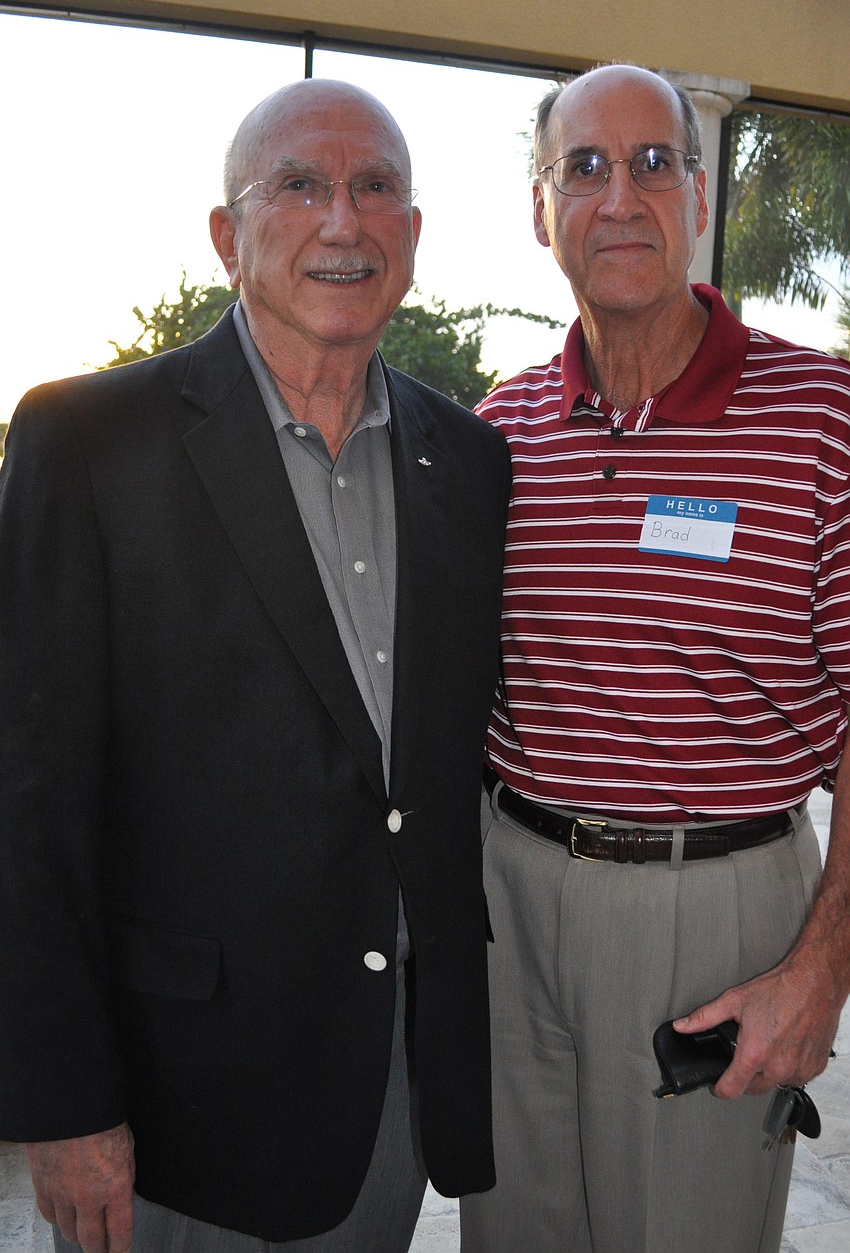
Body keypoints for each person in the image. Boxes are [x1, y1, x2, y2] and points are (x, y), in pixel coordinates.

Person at [0, 78, 511, 1253]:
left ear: (415, 238)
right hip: (184, 1107)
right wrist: (65, 1104)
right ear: (229, 237)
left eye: (376, 188)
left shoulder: (470, 463)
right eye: (300, 186)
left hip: (392, 1089)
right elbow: (27, 804)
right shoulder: (87, 442)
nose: (343, 222)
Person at [458, 63, 850, 1253]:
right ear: (541, 211)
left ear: (695, 197)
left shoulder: (821, 418)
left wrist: (818, 976)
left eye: (652, 163)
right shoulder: (497, 432)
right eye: (583, 166)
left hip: (716, 919)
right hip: (508, 907)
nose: (617, 195)